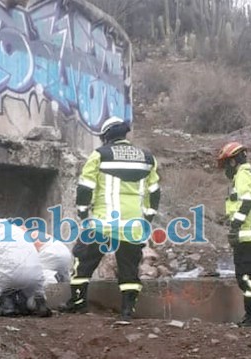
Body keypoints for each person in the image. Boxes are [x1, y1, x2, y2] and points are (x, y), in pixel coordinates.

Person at [62, 116, 161, 321]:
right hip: (132, 226)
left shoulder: (100, 155)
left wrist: (82, 213)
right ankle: (127, 311)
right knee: (129, 269)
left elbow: (85, 187)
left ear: (106, 136)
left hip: (102, 223)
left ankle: (78, 303)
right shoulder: (147, 157)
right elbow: (155, 191)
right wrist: (148, 218)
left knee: (83, 260)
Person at [217, 142, 251, 328]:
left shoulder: (243, 175)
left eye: (225, 165)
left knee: (246, 277)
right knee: (250, 276)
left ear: (233, 162)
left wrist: (235, 226)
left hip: (247, 235)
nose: (225, 171)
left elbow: (245, 203)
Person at [0, 218, 52, 317]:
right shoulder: (21, 233)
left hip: (7, 277)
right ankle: (39, 302)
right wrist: (40, 292)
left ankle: (7, 304)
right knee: (25, 283)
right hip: (34, 277)